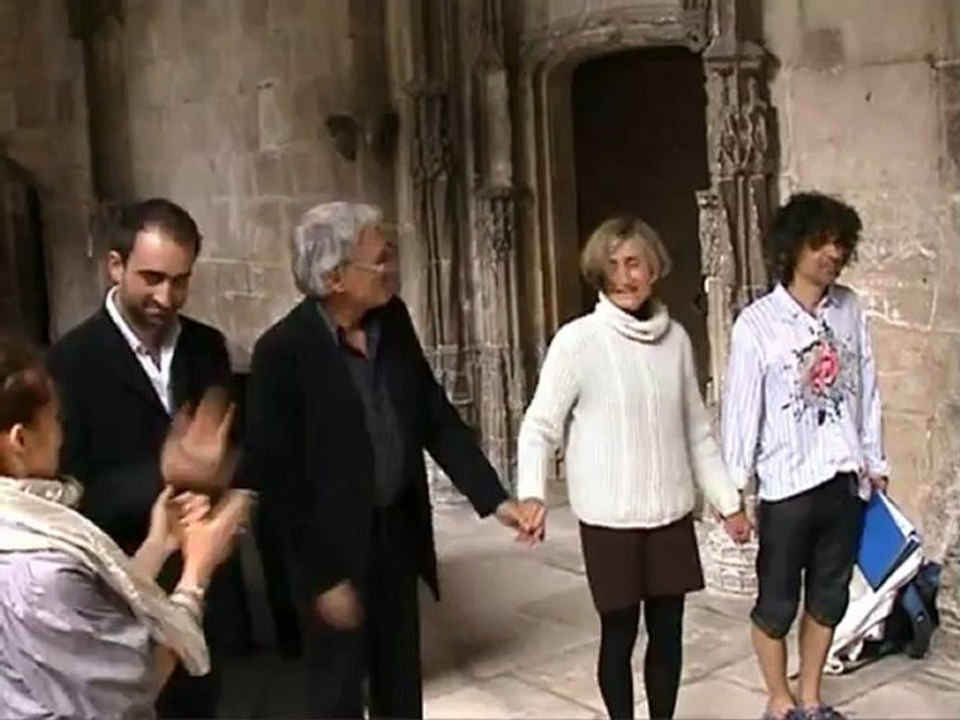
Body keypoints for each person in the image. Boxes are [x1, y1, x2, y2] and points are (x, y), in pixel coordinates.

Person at [243, 201, 541, 718]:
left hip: (395, 537)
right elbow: (280, 485)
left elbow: (432, 414)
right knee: (336, 695)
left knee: (400, 689)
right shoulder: (281, 354)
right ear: (335, 277)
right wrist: (322, 579)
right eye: (379, 260)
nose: (391, 269)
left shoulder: (392, 319)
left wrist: (495, 499)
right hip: (333, 554)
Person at [516, 216, 752, 720]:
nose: (624, 277)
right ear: (599, 274)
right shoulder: (578, 342)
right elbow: (539, 426)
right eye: (613, 265)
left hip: (668, 514)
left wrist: (728, 502)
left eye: (634, 264)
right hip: (609, 519)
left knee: (667, 633)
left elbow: (697, 432)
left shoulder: (677, 342)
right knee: (619, 634)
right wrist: (532, 493)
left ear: (654, 269)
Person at [46, 198, 241, 717]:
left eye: (180, 280)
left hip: (202, 584)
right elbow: (69, 492)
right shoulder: (70, 363)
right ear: (115, 265)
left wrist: (220, 484)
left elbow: (228, 448)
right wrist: (162, 476)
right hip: (124, 583)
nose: (166, 296)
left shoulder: (207, 347)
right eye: (152, 277)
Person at [0, 336, 250, 718]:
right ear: (20, 439)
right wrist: (198, 570)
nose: (61, 435)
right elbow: (132, 681)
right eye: (54, 421)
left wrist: (158, 543)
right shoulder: (35, 568)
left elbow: (91, 612)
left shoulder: (33, 529)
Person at [721, 192, 889, 720]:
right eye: (820, 243)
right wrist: (732, 496)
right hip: (786, 485)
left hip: (842, 479)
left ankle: (811, 699)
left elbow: (867, 388)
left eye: (840, 244)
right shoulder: (756, 324)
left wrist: (875, 460)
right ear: (793, 248)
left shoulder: (850, 308)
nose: (832, 254)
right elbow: (741, 413)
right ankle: (779, 701)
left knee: (828, 597)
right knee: (776, 604)